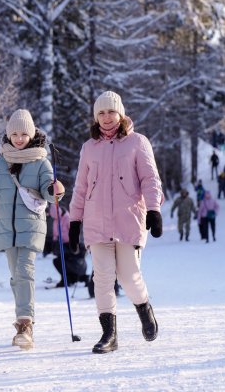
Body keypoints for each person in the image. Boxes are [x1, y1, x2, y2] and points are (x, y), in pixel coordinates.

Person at [0, 109, 65, 350]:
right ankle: (24, 322)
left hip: (31, 227)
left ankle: (25, 324)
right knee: (16, 276)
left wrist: (56, 190)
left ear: (31, 134)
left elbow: (50, 192)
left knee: (24, 271)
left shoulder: (41, 162)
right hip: (6, 227)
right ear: (8, 135)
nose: (19, 138)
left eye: (23, 134)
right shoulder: (0, 162)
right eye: (14, 134)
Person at [68, 91, 163, 354]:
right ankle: (109, 334)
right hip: (96, 222)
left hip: (128, 220)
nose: (106, 117)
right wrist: (75, 219)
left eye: (111, 112)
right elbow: (81, 186)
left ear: (120, 113)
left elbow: (150, 179)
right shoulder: (89, 148)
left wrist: (154, 209)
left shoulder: (137, 143)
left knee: (129, 277)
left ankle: (144, 308)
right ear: (95, 117)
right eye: (101, 113)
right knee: (102, 278)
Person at [48, 204, 88, 287]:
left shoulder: (68, 218)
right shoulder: (55, 220)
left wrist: (74, 243)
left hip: (70, 245)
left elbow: (74, 232)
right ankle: (66, 278)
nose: (55, 218)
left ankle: (75, 278)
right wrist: (54, 243)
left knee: (67, 261)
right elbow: (55, 234)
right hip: (62, 245)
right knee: (58, 261)